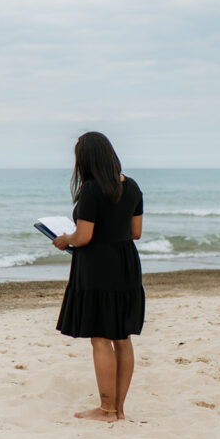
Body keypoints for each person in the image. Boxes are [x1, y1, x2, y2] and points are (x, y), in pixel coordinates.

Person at [52, 132, 144, 422]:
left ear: (87, 160)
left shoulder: (92, 190)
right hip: (126, 263)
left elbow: (85, 236)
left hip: (97, 267)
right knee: (122, 337)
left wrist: (66, 239)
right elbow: (135, 233)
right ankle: (119, 409)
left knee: (101, 338)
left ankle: (106, 411)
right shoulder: (132, 187)